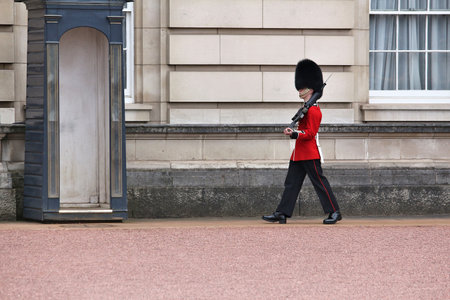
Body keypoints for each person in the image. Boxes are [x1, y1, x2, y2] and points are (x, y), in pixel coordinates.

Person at [262, 59, 342, 225]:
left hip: (309, 153)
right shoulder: (306, 109)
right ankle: (282, 213)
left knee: (319, 183)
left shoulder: (314, 111)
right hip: (299, 153)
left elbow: (310, 133)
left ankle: (334, 212)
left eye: (302, 88)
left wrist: (294, 134)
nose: (300, 90)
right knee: (291, 184)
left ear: (310, 89)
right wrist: (293, 131)